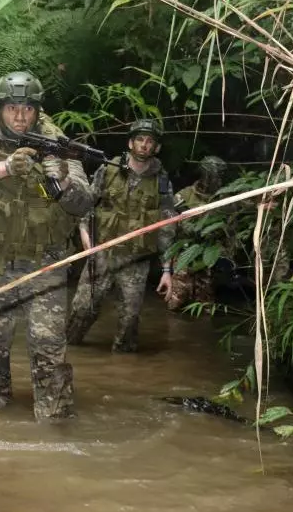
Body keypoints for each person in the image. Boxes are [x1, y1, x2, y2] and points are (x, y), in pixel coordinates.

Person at [0, 71, 94, 420]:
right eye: (11, 108)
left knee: (48, 348)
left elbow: (84, 204)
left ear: (37, 110)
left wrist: (65, 180)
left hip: (46, 264)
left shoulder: (59, 145)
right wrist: (3, 168)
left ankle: (54, 423)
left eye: (27, 108)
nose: (20, 117)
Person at [66, 118, 176, 352]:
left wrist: (167, 271)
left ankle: (124, 365)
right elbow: (87, 204)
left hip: (136, 260)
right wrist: (86, 239)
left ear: (156, 148)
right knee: (82, 310)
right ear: (130, 143)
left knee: (129, 320)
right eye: (139, 140)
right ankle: (68, 352)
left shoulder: (162, 182)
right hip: (103, 252)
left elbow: (167, 228)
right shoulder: (108, 170)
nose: (144, 145)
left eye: (149, 141)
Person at [167, 155, 229, 311]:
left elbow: (229, 228)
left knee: (206, 306)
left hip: (209, 258)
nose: (217, 180)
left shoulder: (223, 199)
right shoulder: (183, 196)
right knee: (177, 302)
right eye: (215, 175)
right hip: (184, 255)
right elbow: (169, 226)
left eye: (220, 176)